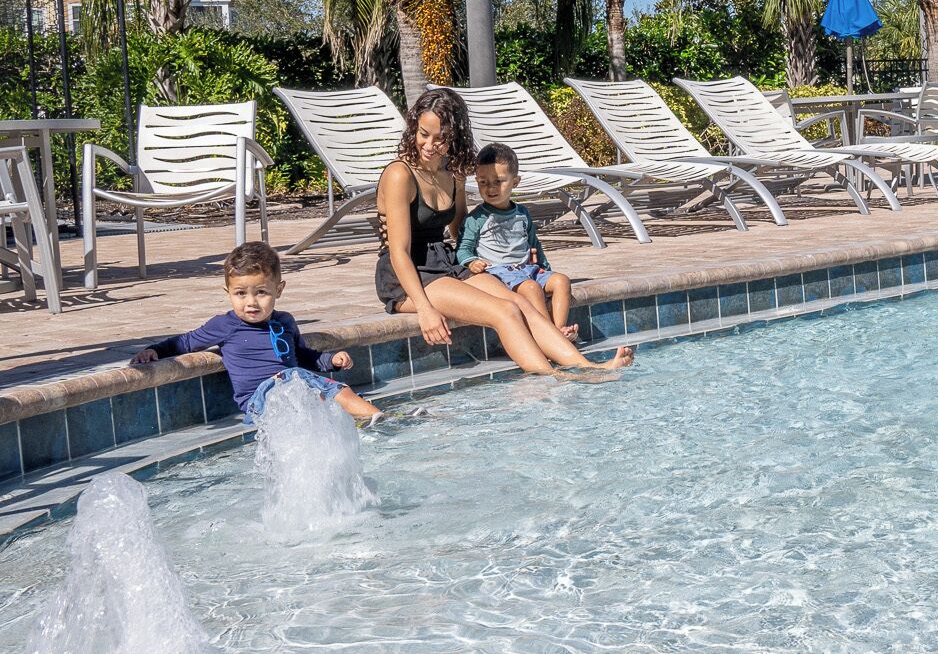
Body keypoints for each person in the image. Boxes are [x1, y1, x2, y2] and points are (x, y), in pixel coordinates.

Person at [375, 89, 632, 379]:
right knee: (503, 311)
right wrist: (424, 309)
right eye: (423, 134)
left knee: (519, 301)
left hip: (446, 262)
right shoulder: (400, 175)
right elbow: (398, 251)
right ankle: (557, 376)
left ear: (455, 137)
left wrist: (496, 262)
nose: (430, 145)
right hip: (409, 273)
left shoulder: (454, 173)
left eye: (440, 138)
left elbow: (460, 229)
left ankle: (588, 366)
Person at [134, 241, 383, 425]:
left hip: (296, 385)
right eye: (240, 294)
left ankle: (377, 418)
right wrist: (154, 350)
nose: (251, 302)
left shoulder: (285, 321)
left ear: (279, 289)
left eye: (261, 292)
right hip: (261, 401)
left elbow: (304, 356)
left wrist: (331, 361)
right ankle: (349, 418)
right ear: (228, 292)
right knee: (301, 385)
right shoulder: (225, 325)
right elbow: (185, 342)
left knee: (335, 388)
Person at [457, 143, 577, 339]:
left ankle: (558, 330)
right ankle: (548, 337)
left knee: (561, 281)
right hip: (499, 273)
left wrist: (545, 269)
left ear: (516, 181)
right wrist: (471, 261)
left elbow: (533, 244)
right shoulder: (476, 218)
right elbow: (462, 249)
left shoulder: (522, 214)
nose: (491, 188)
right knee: (532, 288)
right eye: (483, 182)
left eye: (499, 181)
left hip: (527, 270)